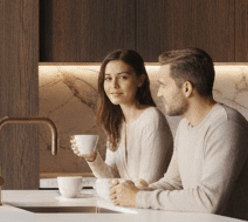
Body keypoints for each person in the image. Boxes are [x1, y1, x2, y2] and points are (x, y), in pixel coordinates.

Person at [109, 48, 248, 222]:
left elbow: (208, 201)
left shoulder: (225, 125)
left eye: (163, 85)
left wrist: (138, 198)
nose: (159, 93)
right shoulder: (184, 127)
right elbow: (173, 182)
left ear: (186, 88)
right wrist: (138, 192)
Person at [70, 48, 173, 187]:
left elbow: (148, 183)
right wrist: (92, 157)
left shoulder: (151, 118)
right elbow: (110, 177)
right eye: (108, 78)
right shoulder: (117, 123)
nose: (114, 85)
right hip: (129, 204)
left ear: (140, 80)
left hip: (148, 205)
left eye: (123, 77)